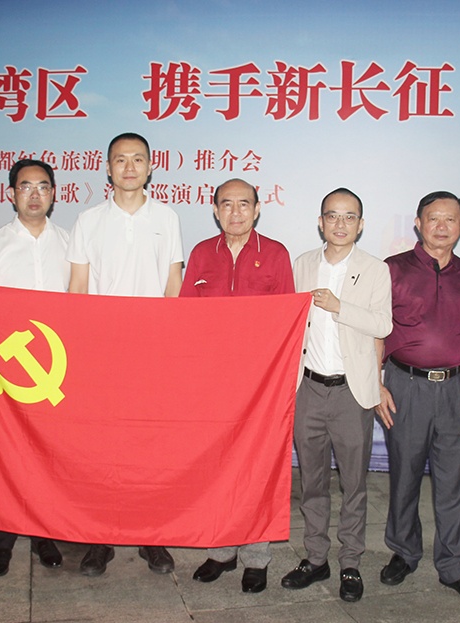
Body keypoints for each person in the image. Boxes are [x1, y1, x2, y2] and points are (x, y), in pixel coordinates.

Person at [67, 132, 184, 576]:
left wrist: (168, 345)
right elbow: (78, 287)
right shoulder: (88, 220)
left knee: (150, 447)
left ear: (151, 167)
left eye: (138, 159)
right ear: (107, 168)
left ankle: (151, 536)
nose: (129, 167)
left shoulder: (166, 218)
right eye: (121, 160)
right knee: (100, 448)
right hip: (101, 352)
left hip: (152, 351)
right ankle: (100, 538)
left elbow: (173, 284)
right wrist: (80, 350)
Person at [180, 178, 294, 593]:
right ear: (215, 210)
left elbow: (287, 320)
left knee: (256, 468)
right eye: (226, 204)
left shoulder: (276, 254)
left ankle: (256, 557)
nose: (235, 212)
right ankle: (221, 550)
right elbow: (184, 318)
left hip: (260, 384)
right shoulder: (201, 253)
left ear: (257, 209)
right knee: (216, 467)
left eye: (244, 204)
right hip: (211, 384)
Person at [280, 188, 392, 602]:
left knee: (353, 484)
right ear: (320, 222)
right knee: (311, 482)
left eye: (349, 217)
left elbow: (383, 325)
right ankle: (315, 558)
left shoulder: (375, 269)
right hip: (307, 388)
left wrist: (339, 306)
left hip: (351, 392)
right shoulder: (302, 264)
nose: (340, 224)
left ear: (360, 225)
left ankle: (350, 563)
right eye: (332, 216)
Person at [376, 191, 460, 602]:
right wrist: (376, 384)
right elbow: (376, 330)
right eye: (433, 218)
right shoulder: (393, 270)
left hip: (457, 388)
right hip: (405, 385)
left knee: (455, 479)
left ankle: (453, 563)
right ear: (418, 223)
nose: (442, 226)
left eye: (450, 219)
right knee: (404, 474)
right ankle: (404, 552)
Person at [0, 159, 70, 576]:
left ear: (54, 194)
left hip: (58, 367)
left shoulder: (69, 243)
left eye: (43, 186)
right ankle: (2, 539)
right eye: (26, 186)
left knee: (49, 455)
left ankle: (44, 532)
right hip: (8, 370)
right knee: (5, 456)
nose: (35, 194)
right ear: (11, 194)